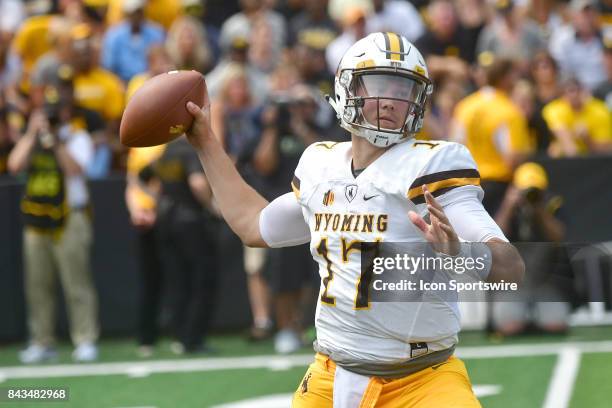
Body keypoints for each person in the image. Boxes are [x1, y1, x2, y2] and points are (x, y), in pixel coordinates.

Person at [184, 32, 524, 406]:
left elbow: (511, 266)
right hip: (330, 376)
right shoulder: (321, 164)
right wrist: (205, 142)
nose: (392, 100)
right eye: (381, 84)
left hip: (422, 382)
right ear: (347, 88)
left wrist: (459, 254)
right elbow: (252, 223)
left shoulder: (432, 165)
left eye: (404, 89)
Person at [8, 83, 98, 363]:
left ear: (66, 112)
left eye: (55, 112)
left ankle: (85, 339)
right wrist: (33, 134)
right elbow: (14, 165)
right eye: (47, 112)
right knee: (37, 284)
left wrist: (56, 141)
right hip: (37, 217)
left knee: (76, 283)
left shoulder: (77, 136)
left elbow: (76, 169)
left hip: (70, 216)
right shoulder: (32, 138)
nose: (51, 117)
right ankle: (41, 340)